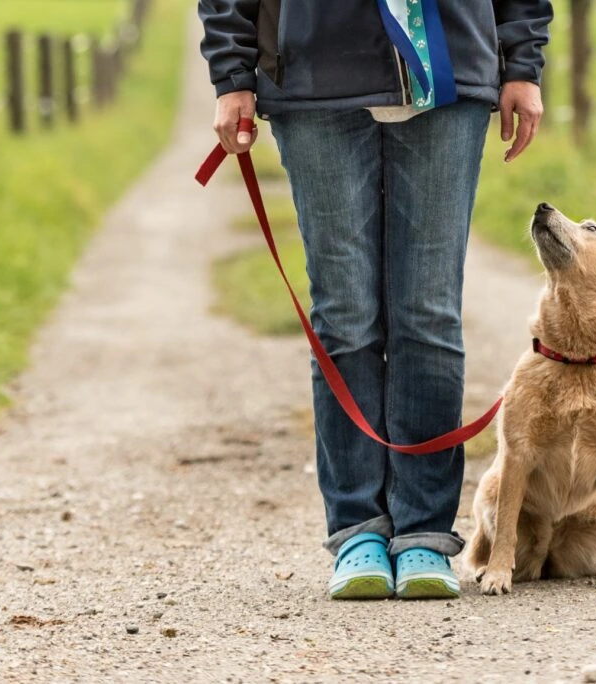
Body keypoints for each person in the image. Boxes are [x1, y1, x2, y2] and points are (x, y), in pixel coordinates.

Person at [197, 0, 552, 600]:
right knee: (345, 317)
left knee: (429, 315)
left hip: (449, 75)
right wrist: (232, 73)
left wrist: (522, 63)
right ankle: (358, 528)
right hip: (315, 77)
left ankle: (423, 532)